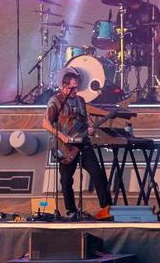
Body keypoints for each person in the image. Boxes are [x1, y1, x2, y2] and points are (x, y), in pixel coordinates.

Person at [42, 71, 112, 219]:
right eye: (73, 87)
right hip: (66, 146)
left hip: (83, 143)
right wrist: (63, 137)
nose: (76, 90)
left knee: (98, 174)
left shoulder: (80, 100)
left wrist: (90, 130)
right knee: (66, 180)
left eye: (77, 87)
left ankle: (107, 208)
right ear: (65, 86)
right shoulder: (56, 100)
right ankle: (72, 210)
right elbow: (45, 123)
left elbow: (84, 121)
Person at [121, 0, 160, 88]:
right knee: (115, 59)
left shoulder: (151, 9)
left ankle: (152, 89)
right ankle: (119, 89)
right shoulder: (123, 11)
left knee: (155, 56)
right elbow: (118, 33)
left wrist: (153, 46)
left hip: (146, 46)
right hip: (127, 47)